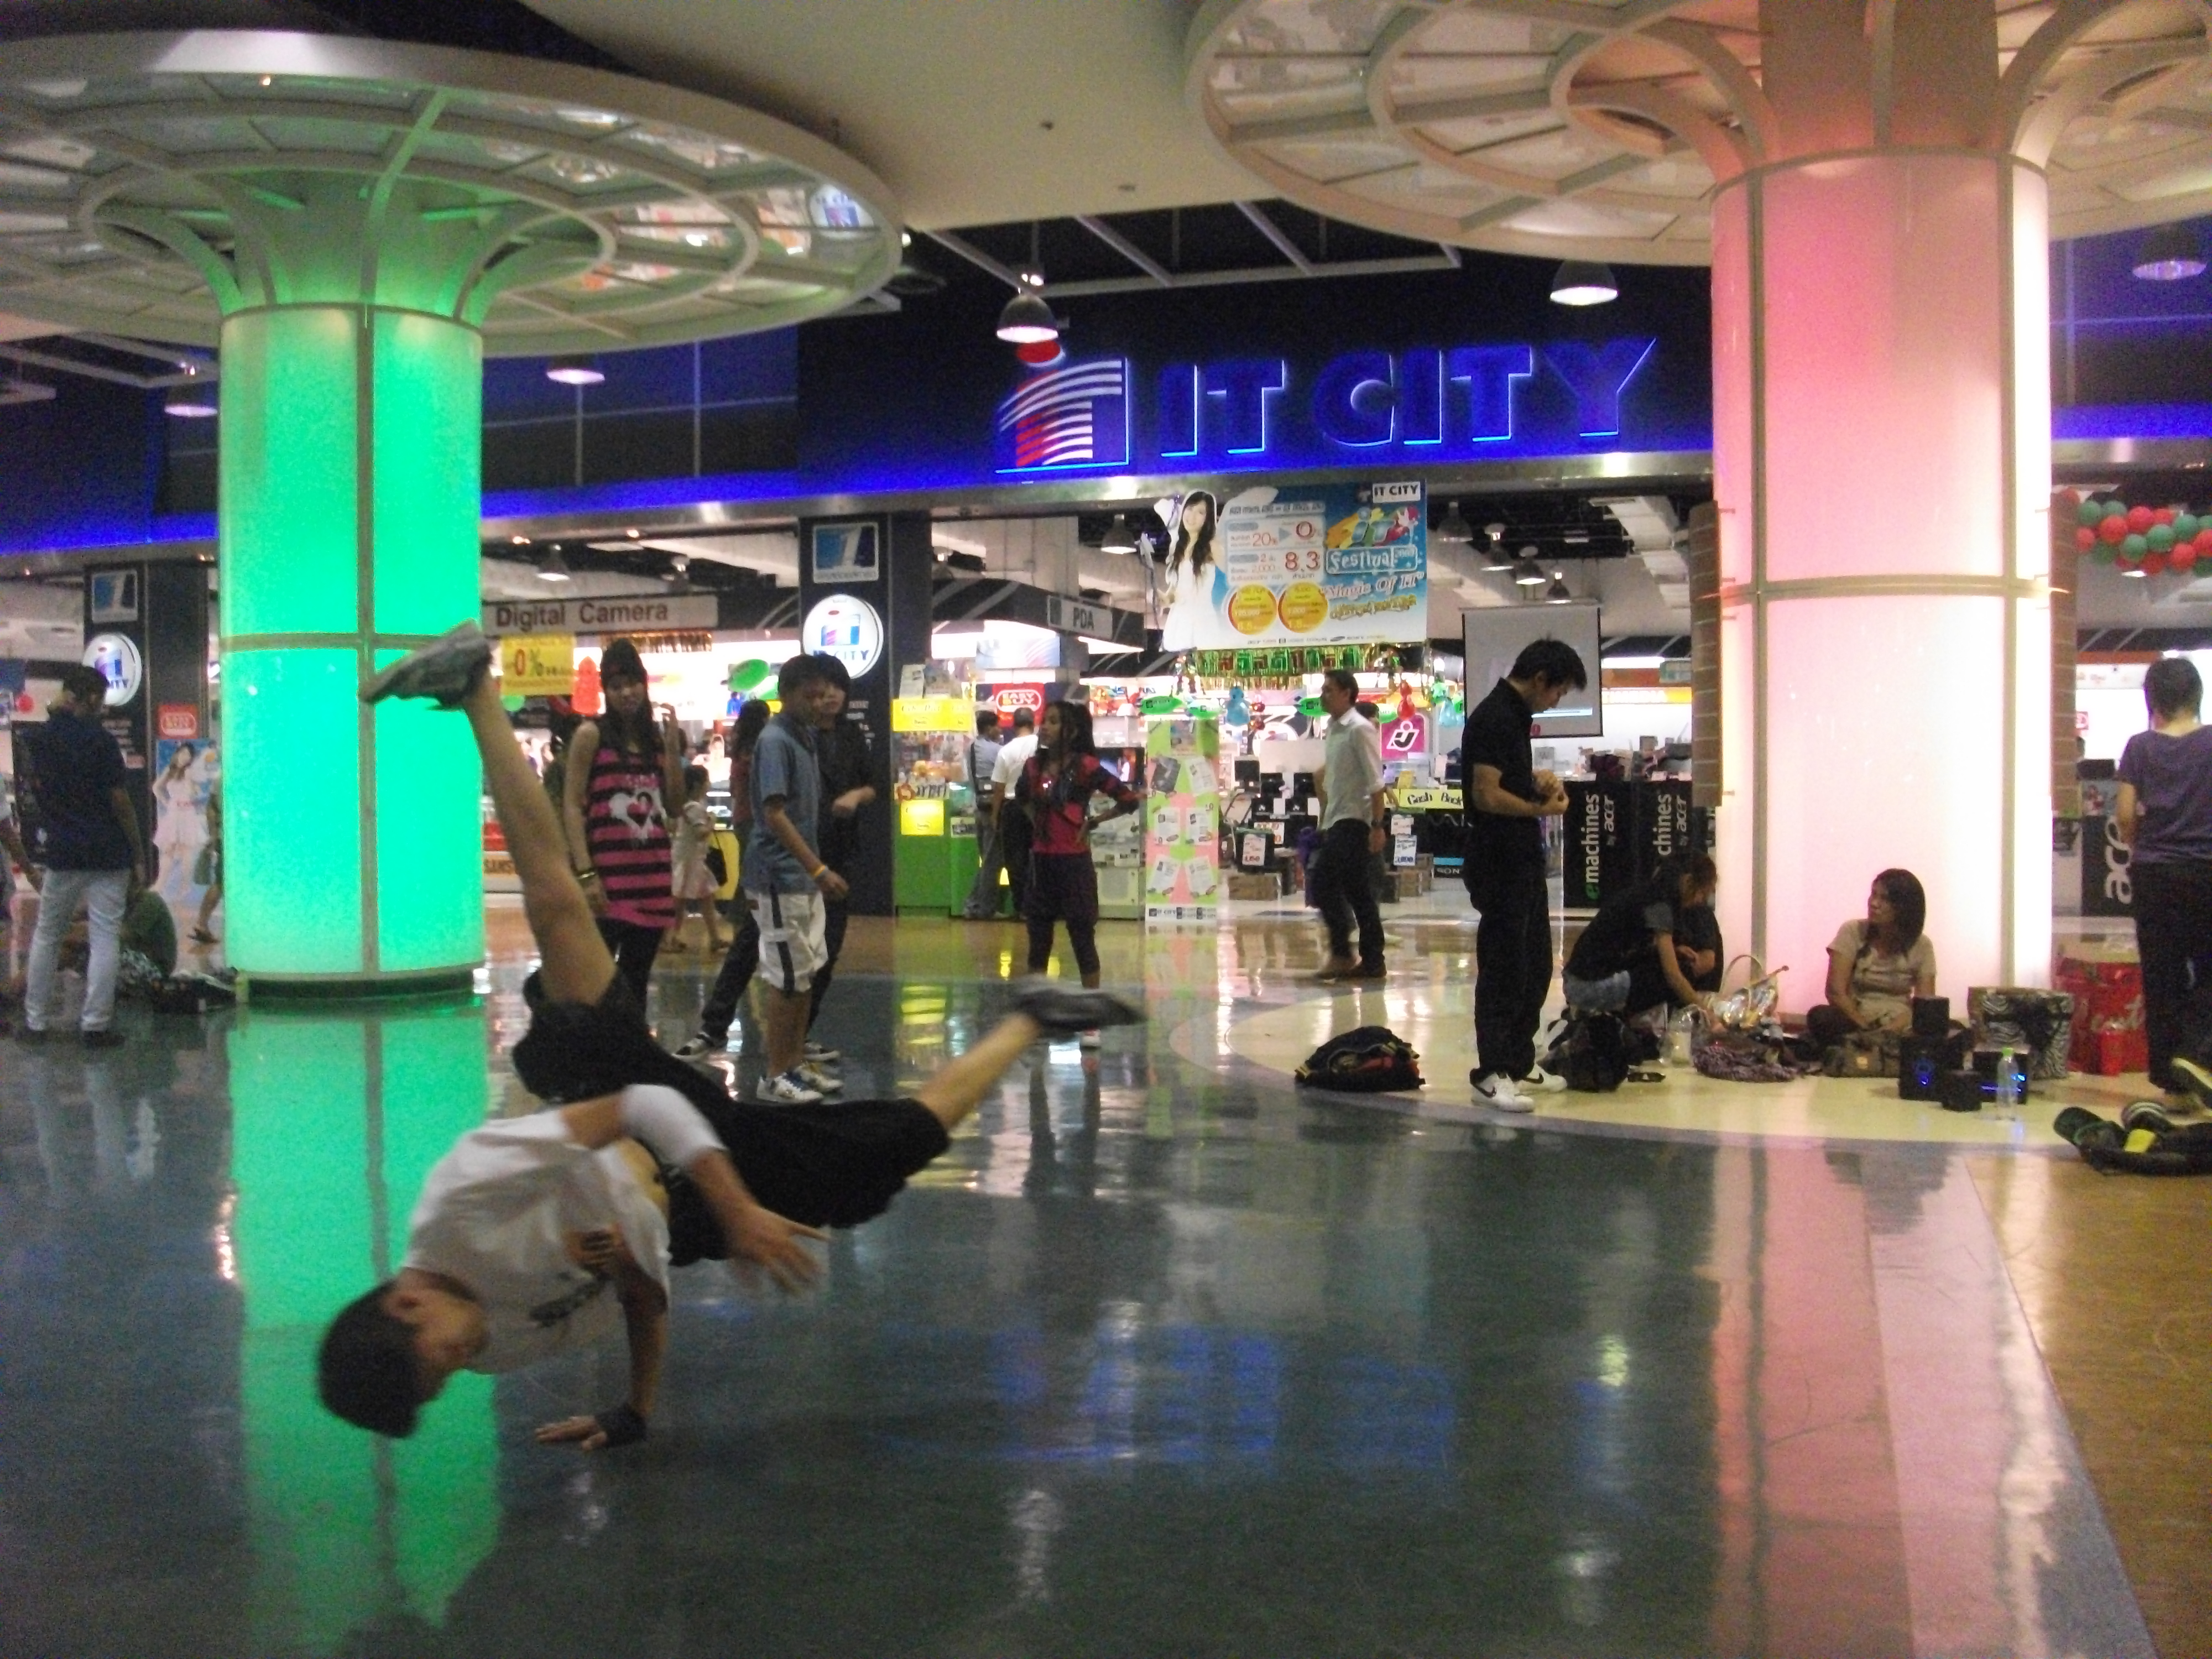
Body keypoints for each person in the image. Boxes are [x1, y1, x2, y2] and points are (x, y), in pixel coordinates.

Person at [324, 623, 1142, 1450]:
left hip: (629, 1108)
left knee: (559, 908)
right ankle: (1036, 1015)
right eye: (440, 1383)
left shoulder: (463, 1201)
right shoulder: (487, 1347)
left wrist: (729, 1209)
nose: (458, 1366)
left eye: (436, 1360)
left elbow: (644, 1108)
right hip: (689, 1208)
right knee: (880, 1156)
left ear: (407, 1302)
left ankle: (476, 691)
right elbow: (637, 1292)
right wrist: (634, 1405)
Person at [1461, 638, 1586, 1112]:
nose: (1555, 702)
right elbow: (1486, 794)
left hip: (1521, 857)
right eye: (1558, 692)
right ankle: (1491, 1072)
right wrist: (1540, 809)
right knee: (1504, 966)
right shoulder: (1495, 717)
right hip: (1497, 859)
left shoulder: (1515, 718)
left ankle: (1517, 1060)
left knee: (1534, 964)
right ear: (1539, 679)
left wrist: (1537, 783)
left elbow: (1506, 781)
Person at [18, 665, 147, 1050]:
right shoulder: (103, 743)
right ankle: (95, 1026)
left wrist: (55, 709)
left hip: (64, 851)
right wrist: (137, 853)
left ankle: (35, 1023)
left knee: (48, 935)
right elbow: (120, 802)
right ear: (92, 699)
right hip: (108, 851)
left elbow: (48, 733)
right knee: (105, 936)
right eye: (101, 701)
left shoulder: (41, 738)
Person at [744, 654, 845, 1104]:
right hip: (778, 877)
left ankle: (794, 1063)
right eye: (811, 695)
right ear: (786, 695)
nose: (820, 702)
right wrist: (817, 869)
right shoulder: (775, 740)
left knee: (804, 973)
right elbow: (774, 813)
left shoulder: (804, 737)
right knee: (787, 978)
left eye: (824, 695)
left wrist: (814, 872)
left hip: (800, 878)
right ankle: (774, 1075)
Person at [1015, 699, 1143, 1047]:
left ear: (1070, 731)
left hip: (1074, 863)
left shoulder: (1086, 767)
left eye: (1053, 722)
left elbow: (1128, 799)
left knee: (1082, 938)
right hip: (1042, 863)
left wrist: (1092, 822)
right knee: (1038, 942)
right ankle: (1035, 1020)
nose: (1045, 727)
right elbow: (1021, 799)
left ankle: (1091, 1024)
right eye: (1044, 721)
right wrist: (1038, 825)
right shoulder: (1032, 766)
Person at [562, 638, 684, 1005]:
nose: (626, 693)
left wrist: (672, 747)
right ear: (606, 692)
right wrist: (586, 874)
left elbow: (675, 806)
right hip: (607, 885)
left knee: (635, 983)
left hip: (652, 881)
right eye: (616, 687)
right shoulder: (591, 736)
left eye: (632, 684)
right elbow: (572, 806)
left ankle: (629, 1044)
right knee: (596, 985)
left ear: (644, 684)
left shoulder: (654, 742)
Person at [2117, 657, 2212, 1105]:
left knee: (2162, 975)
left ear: (2152, 699)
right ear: (2197, 695)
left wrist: (2144, 846)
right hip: (2206, 869)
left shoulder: (2140, 747)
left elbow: (2124, 814)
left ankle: (2172, 1081)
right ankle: (2195, 1053)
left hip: (2154, 873)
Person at [676, 700, 771, 1065]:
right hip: (756, 820)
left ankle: (738, 918)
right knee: (753, 884)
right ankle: (741, 916)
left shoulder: (741, 751)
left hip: (744, 817)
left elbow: (734, 790)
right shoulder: (759, 750)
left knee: (746, 880)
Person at [806, 654, 878, 1047]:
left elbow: (872, 785)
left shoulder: (851, 734)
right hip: (802, 852)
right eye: (825, 688)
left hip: (841, 847)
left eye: (839, 688)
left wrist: (854, 797)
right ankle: (787, 1041)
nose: (832, 695)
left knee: (830, 946)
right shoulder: (798, 735)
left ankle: (801, 1034)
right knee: (799, 950)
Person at [1561, 854, 1718, 1021]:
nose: (1700, 901)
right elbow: (1673, 976)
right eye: (1702, 894)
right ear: (1688, 882)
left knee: (1675, 963)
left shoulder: (1649, 893)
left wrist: (1675, 950)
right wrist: (1708, 1016)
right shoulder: (1660, 906)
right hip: (1586, 988)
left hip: (1577, 980)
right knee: (1678, 973)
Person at [1308, 667, 1387, 982]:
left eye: (1329, 690)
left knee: (1324, 883)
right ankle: (1371, 960)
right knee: (1358, 893)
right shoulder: (1333, 728)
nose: (1323, 695)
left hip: (1355, 822)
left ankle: (1345, 954)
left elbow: (1376, 783)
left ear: (1346, 694)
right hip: (1337, 819)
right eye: (1323, 690)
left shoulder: (1359, 729)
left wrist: (1377, 826)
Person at [1804, 869, 1936, 1045]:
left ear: (1904, 907)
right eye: (1874, 894)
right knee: (1820, 1017)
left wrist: (1892, 1029)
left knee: (1950, 1028)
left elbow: (1925, 1003)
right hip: (1855, 1018)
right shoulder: (1852, 931)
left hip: (1899, 1022)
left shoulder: (1922, 945)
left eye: (1885, 899)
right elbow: (1835, 992)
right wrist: (1866, 1029)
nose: (1874, 904)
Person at [665, 764, 726, 957]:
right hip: (690, 861)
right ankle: (671, 938)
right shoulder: (695, 808)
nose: (709, 784)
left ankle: (714, 938)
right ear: (699, 784)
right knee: (681, 902)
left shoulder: (684, 806)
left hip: (688, 859)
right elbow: (701, 834)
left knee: (703, 897)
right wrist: (712, 822)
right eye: (707, 780)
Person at [988, 706, 1039, 913]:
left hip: (1012, 809)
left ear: (1014, 725)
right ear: (1033, 724)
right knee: (1042, 856)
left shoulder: (1006, 751)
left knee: (1015, 860)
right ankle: (1042, 905)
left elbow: (999, 789)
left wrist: (995, 816)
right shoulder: (1041, 746)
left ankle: (1021, 908)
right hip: (1038, 807)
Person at [1158, 490, 1222, 654]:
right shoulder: (1177, 547)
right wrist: (1164, 599)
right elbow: (1174, 591)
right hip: (1179, 620)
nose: (1192, 516)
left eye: (1200, 512)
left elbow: (1232, 573)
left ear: (1208, 519)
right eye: (1190, 508)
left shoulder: (1212, 546)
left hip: (1202, 619)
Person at [959, 708, 1006, 919]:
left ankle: (976, 906)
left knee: (987, 859)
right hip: (993, 811)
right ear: (989, 728)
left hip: (979, 808)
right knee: (992, 862)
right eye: (997, 726)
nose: (1000, 730)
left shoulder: (969, 749)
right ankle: (980, 907)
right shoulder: (997, 751)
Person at [189, 780, 223, 947]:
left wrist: (214, 835)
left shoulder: (220, 779)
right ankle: (202, 923)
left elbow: (211, 808)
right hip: (233, 838)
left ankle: (202, 923)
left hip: (224, 836)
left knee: (221, 881)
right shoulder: (226, 778)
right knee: (221, 883)